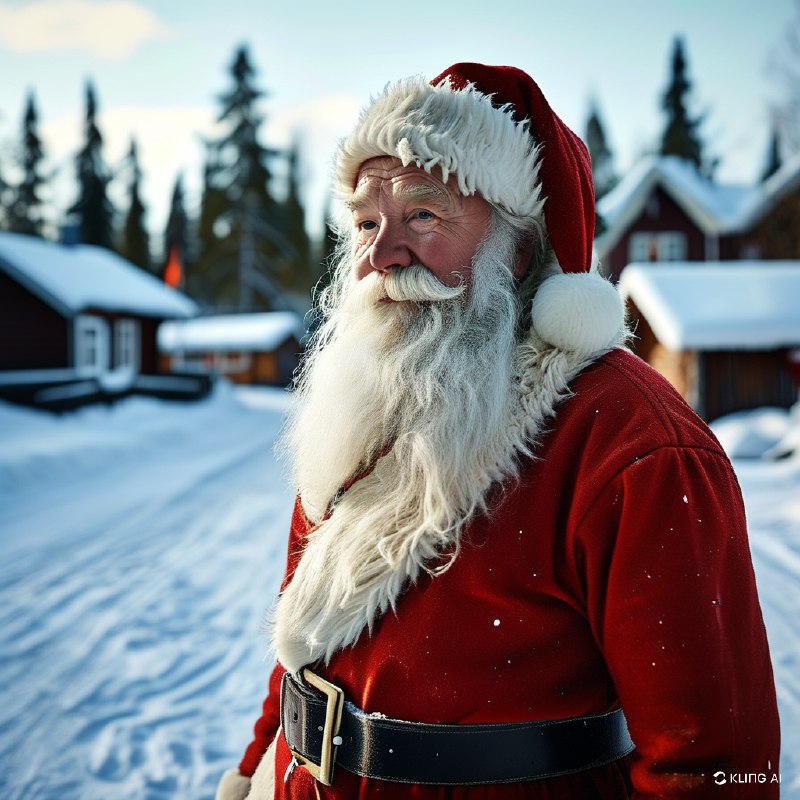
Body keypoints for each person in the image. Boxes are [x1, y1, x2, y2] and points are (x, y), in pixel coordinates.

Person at [216, 63, 780, 800]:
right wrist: (256, 766)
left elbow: (714, 765)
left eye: (424, 215)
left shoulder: (632, 442)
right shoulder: (367, 400)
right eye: (365, 222)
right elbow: (309, 630)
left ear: (519, 246)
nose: (382, 256)